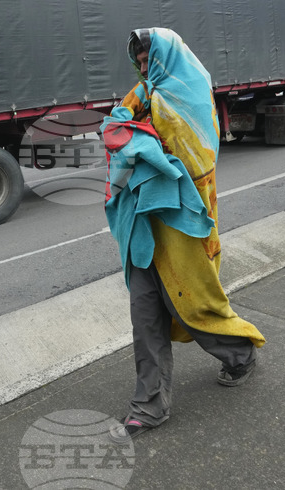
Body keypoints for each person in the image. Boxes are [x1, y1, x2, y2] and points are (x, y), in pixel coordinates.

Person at [101, 27, 266, 444]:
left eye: (148, 61)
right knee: (145, 312)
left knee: (191, 305)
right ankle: (149, 404)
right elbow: (114, 132)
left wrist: (140, 141)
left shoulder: (189, 90)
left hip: (182, 220)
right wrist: (139, 140)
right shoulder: (141, 94)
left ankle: (240, 353)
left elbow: (194, 158)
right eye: (138, 63)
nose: (143, 69)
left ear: (167, 57)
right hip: (141, 219)